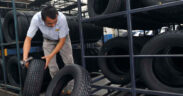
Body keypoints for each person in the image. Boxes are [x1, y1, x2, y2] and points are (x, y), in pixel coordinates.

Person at [23, 6, 74, 94]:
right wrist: (25, 57)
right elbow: (28, 39)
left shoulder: (62, 18)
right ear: (43, 20)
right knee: (52, 66)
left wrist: (50, 55)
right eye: (49, 23)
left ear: (57, 15)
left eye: (55, 22)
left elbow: (61, 41)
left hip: (63, 38)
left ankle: (71, 87)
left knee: (69, 62)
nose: (53, 25)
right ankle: (59, 86)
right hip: (48, 40)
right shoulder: (36, 19)